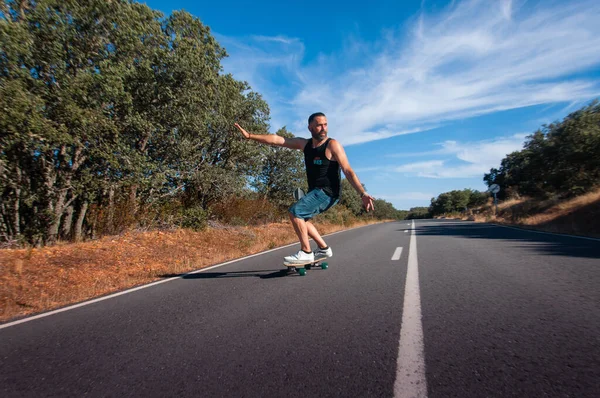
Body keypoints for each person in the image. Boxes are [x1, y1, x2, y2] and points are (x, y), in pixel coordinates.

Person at [234, 112, 374, 264]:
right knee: (303, 220)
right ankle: (323, 248)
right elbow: (278, 140)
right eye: (319, 125)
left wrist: (362, 193)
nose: (323, 128)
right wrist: (250, 136)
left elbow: (348, 170)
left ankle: (306, 251)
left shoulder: (332, 145)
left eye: (325, 124)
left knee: (295, 212)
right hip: (316, 191)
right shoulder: (305, 144)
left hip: (328, 192)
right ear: (310, 127)